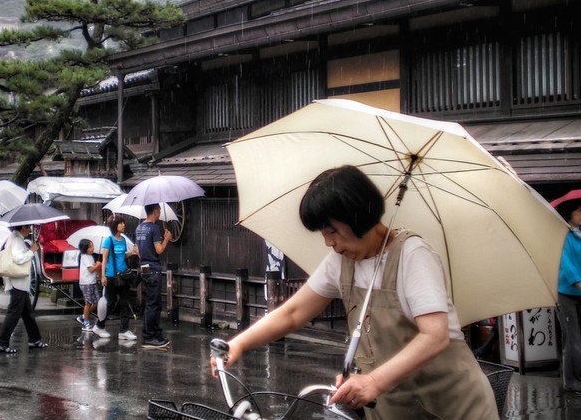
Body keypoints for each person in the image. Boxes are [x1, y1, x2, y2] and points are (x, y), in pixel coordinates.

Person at [212, 165, 497, 419]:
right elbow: (293, 312)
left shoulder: (412, 255)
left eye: (332, 231)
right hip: (395, 408)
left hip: (453, 407)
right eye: (323, 234)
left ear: (358, 217)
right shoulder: (342, 260)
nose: (329, 243)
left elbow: (434, 336)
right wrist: (239, 344)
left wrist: (374, 382)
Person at [0, 224, 48, 353]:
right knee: (14, 313)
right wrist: (32, 251)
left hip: (20, 284)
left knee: (27, 313)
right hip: (17, 283)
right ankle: (2, 343)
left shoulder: (14, 238)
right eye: (28, 227)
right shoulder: (17, 240)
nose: (30, 230)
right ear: (23, 227)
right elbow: (18, 258)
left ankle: (34, 339)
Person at [93, 216, 139, 341]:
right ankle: (99, 325)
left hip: (123, 275)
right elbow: (104, 259)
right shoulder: (108, 241)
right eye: (120, 223)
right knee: (110, 302)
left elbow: (122, 257)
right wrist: (103, 276)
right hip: (111, 276)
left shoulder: (123, 240)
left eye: (123, 223)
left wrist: (132, 253)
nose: (123, 225)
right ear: (115, 226)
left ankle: (124, 330)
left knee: (124, 302)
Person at [555, 193, 581, 393]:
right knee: (572, 337)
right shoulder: (562, 234)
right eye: (579, 210)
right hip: (566, 292)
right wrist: (578, 282)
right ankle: (571, 381)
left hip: (578, 292)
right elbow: (567, 264)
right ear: (569, 214)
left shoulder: (579, 234)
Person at [136, 204, 172, 348]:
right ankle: (149, 336)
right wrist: (167, 238)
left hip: (143, 268)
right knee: (153, 304)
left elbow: (138, 251)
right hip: (153, 268)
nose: (160, 213)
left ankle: (155, 334)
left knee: (152, 303)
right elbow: (159, 250)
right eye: (159, 210)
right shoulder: (154, 228)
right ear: (155, 211)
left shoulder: (139, 228)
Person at [77, 238, 102, 332]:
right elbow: (91, 269)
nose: (92, 249)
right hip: (86, 283)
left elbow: (93, 269)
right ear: (85, 249)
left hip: (92, 282)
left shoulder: (90, 257)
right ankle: (86, 323)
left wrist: (96, 266)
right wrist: (98, 265)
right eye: (90, 247)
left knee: (95, 302)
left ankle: (83, 316)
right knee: (88, 303)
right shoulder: (84, 257)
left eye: (92, 246)